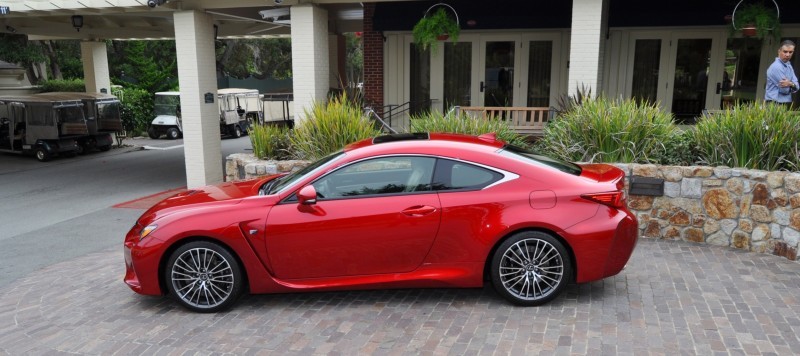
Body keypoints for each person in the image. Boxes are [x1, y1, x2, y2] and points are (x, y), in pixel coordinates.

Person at [765, 40, 799, 107]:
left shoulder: (789, 65)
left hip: (785, 102)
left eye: (790, 52)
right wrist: (793, 85)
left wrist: (790, 83)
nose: (788, 55)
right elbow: (785, 90)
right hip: (774, 103)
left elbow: (797, 85)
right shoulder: (776, 67)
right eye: (785, 51)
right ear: (779, 51)